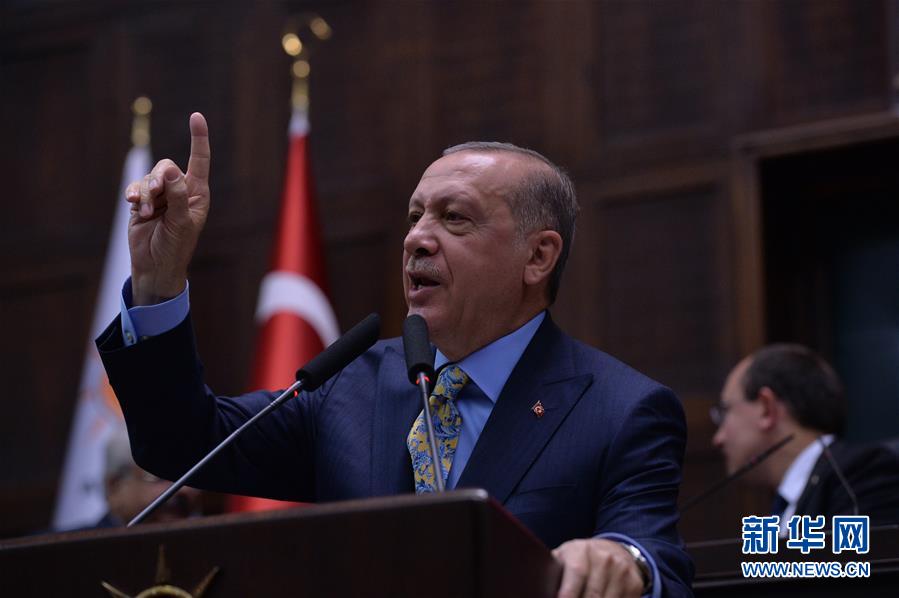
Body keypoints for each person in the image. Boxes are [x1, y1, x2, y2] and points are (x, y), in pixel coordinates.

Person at [97, 113, 693, 597]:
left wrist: (624, 562)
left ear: (538, 257)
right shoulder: (350, 385)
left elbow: (656, 558)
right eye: (414, 216)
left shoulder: (621, 411)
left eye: (453, 218)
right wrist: (158, 284)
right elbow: (180, 441)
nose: (416, 238)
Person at [713, 343, 899, 534]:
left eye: (724, 412)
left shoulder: (861, 475)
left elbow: (865, 552)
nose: (717, 439)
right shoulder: (786, 505)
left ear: (766, 409)